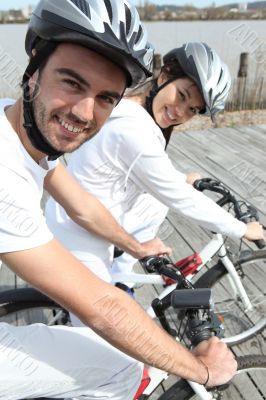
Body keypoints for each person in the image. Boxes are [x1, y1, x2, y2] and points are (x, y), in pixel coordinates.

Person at [0, 1, 237, 399]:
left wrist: (136, 246)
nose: (83, 112)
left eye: (106, 97)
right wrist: (201, 368)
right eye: (72, 82)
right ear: (34, 64)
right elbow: (103, 308)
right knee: (119, 366)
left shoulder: (24, 138)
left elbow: (81, 205)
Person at [45, 41, 265, 294]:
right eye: (182, 95)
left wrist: (182, 178)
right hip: (81, 240)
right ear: (165, 75)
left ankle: (121, 277)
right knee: (102, 330)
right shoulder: (133, 131)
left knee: (155, 202)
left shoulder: (128, 106)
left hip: (76, 216)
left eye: (193, 109)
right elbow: (179, 196)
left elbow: (155, 173)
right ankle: (116, 287)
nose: (180, 112)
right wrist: (241, 229)